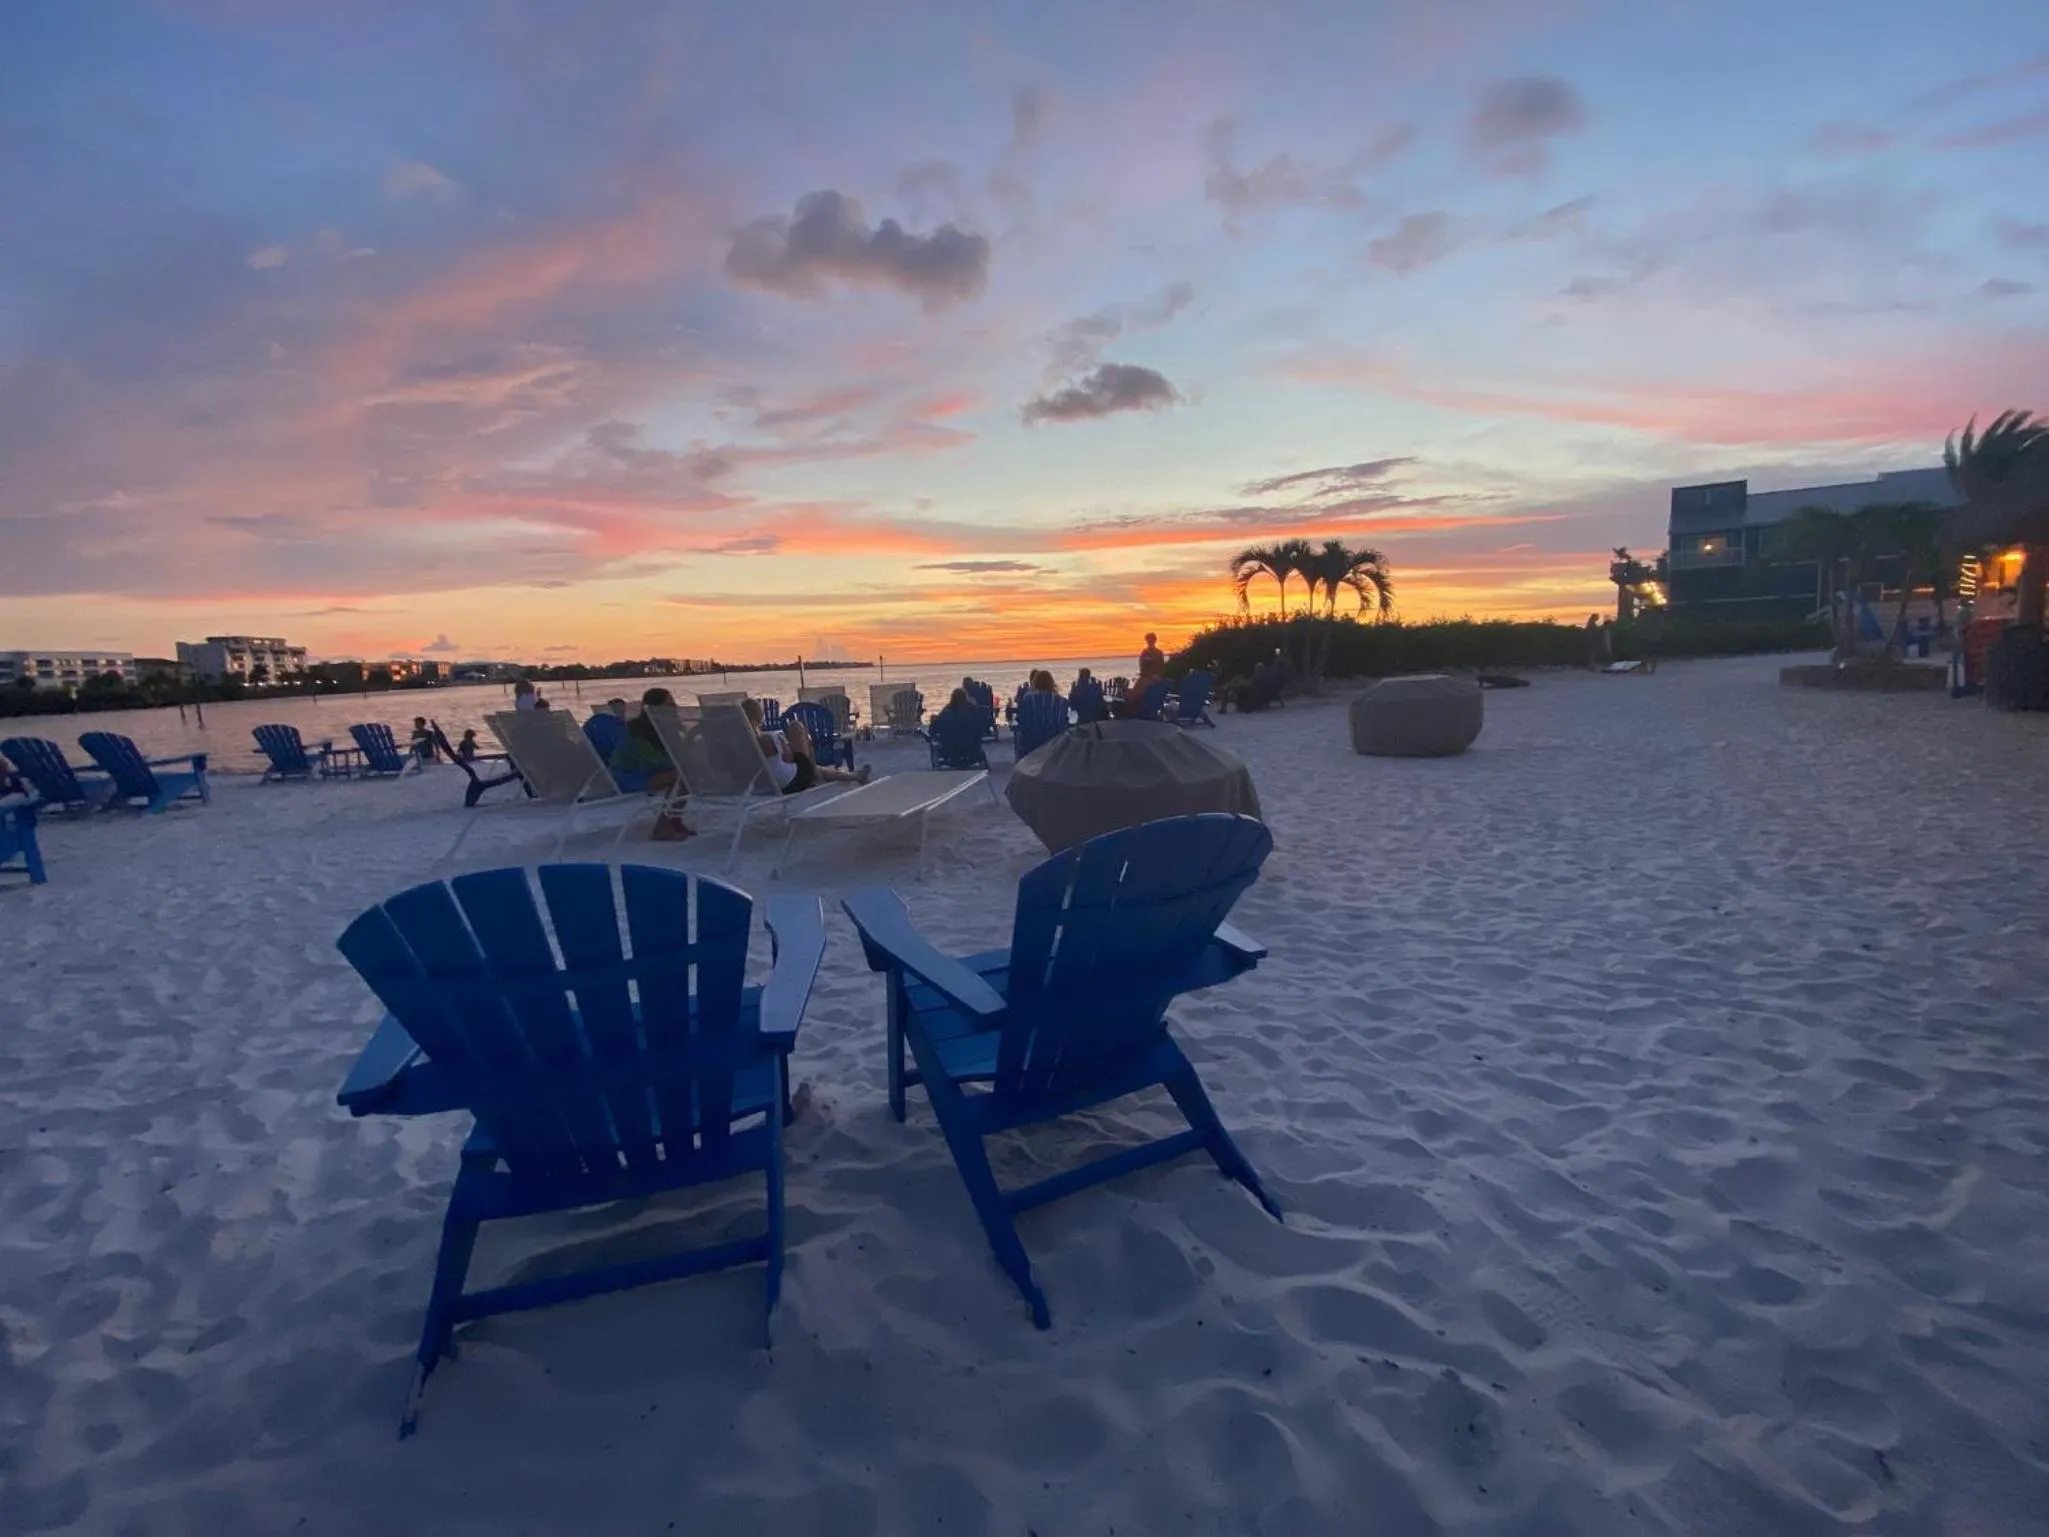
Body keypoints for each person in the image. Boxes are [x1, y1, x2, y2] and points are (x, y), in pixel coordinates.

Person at [744, 698, 866, 794]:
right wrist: (786, 744)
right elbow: (789, 758)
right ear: (759, 718)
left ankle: (853, 776)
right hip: (790, 783)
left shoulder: (737, 743)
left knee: (816, 769)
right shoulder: (767, 739)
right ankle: (820, 772)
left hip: (757, 784)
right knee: (796, 726)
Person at [1636, 604, 1664, 674]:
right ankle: (1652, 670)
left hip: (1645, 637)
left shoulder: (1645, 617)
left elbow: (1639, 625)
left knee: (1644, 654)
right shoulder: (1659, 617)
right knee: (1653, 654)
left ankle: (1644, 669)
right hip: (1655, 638)